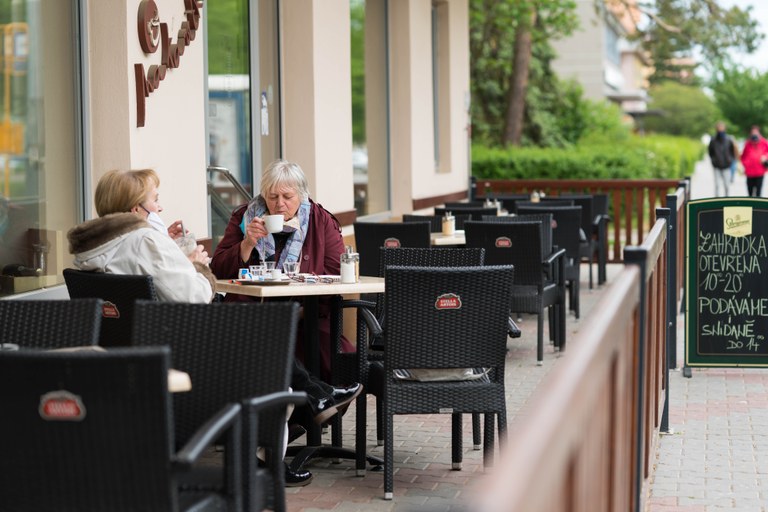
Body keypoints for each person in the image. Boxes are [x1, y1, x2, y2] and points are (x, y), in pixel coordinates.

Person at [68, 168, 360, 487]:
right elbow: (195, 294)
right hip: (185, 350)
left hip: (139, 349)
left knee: (258, 332)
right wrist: (195, 263)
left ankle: (315, 397)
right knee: (265, 340)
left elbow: (155, 286)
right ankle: (297, 421)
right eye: (155, 199)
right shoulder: (144, 240)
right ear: (136, 208)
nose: (160, 207)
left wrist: (176, 254)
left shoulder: (95, 249)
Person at [211, 159, 356, 381]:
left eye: (287, 197)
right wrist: (247, 244)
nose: (279, 204)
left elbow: (335, 274)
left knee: (336, 356)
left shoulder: (321, 221)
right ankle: (307, 403)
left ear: (302, 195)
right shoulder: (244, 218)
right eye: (272, 197)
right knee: (264, 344)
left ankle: (310, 408)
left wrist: (302, 308)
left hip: (305, 314)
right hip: (252, 314)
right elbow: (218, 270)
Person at [707, 121, 736, 197]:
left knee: (727, 185)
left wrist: (730, 160)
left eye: (722, 127)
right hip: (717, 166)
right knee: (717, 185)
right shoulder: (713, 140)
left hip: (726, 166)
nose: (720, 129)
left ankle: (727, 199)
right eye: (719, 127)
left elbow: (732, 152)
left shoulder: (729, 139)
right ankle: (717, 201)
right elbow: (710, 152)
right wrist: (713, 161)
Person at [741, 126, 768, 197]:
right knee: (750, 192)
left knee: (758, 192)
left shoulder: (764, 142)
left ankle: (757, 207)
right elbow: (743, 156)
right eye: (753, 132)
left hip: (760, 171)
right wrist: (746, 164)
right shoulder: (748, 143)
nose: (754, 134)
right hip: (749, 172)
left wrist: (765, 157)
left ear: (759, 133)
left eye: (756, 132)